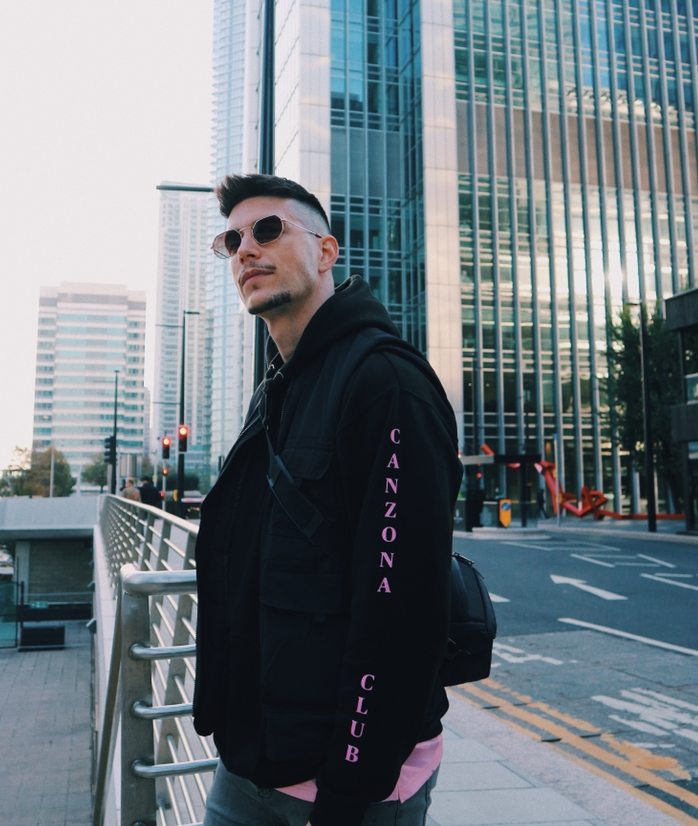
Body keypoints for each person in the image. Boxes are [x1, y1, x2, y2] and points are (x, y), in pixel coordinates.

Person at [193, 173, 462, 826]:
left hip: (351, 786)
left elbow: (402, 613)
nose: (245, 249)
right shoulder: (276, 389)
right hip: (250, 761)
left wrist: (349, 788)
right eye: (231, 241)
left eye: (267, 230)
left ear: (325, 251)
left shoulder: (386, 384)